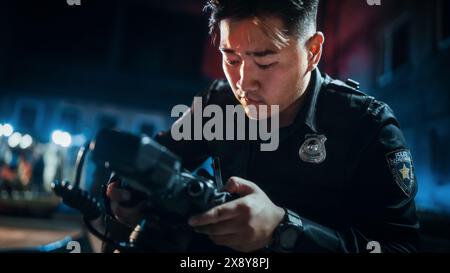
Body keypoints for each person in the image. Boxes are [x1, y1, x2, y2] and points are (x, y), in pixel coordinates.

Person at [105, 0, 420, 253]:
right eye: (231, 59)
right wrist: (130, 195)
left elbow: (400, 247)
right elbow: (157, 159)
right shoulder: (218, 103)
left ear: (312, 52)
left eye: (265, 62)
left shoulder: (367, 126)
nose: (243, 83)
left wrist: (285, 230)